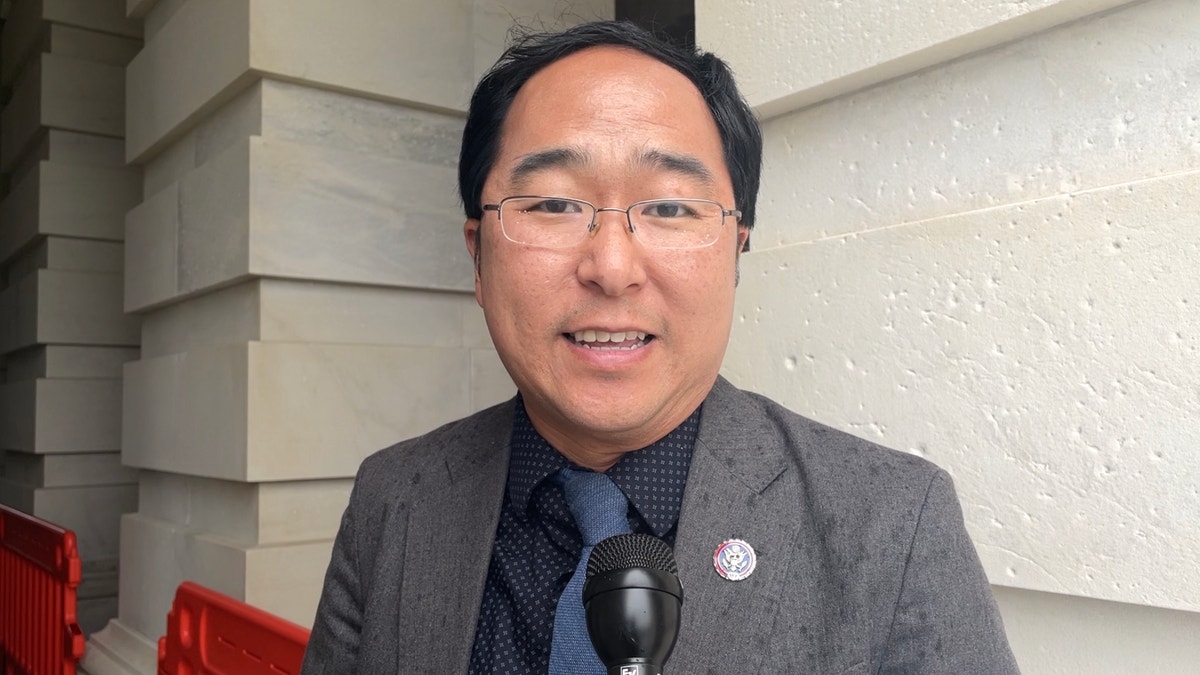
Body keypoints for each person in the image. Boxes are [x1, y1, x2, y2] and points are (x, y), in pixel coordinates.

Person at [301, 20, 1019, 675]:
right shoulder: (394, 499)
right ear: (478, 255)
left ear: (736, 252)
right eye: (552, 202)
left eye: (671, 207)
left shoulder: (893, 524)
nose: (612, 266)